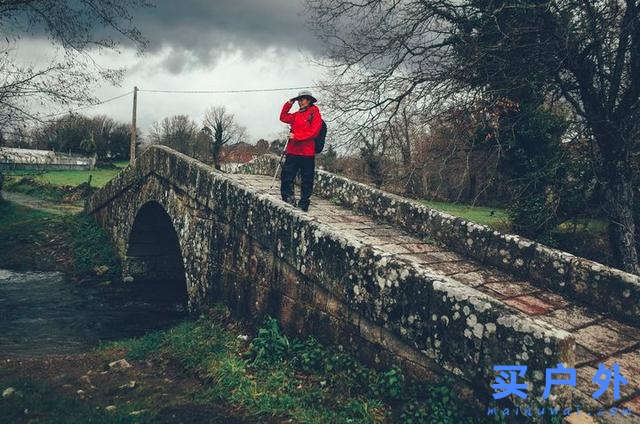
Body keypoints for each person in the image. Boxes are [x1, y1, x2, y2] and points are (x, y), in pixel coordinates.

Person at [278, 90, 323, 212]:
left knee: (307, 179)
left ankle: (304, 203)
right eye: (298, 100)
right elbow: (283, 117)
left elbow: (314, 132)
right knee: (287, 176)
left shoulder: (315, 113)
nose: (300, 102)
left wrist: (296, 136)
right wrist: (289, 103)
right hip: (293, 151)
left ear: (309, 100)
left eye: (302, 99)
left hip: (307, 153)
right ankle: (288, 198)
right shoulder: (297, 114)